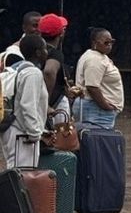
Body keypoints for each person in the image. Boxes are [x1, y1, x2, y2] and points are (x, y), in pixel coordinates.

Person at [3, 34, 49, 169]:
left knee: (15, 172)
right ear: (38, 52)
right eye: (45, 49)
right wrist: (35, 134)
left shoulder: (19, 68)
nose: (47, 52)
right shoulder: (33, 73)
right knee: (22, 175)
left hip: (13, 128)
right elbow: (28, 106)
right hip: (22, 133)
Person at [77, 28, 123, 126]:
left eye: (112, 42)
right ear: (94, 43)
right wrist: (106, 107)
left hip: (96, 109)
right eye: (106, 42)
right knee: (98, 139)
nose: (109, 45)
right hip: (97, 110)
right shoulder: (95, 60)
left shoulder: (98, 56)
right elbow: (92, 87)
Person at [37, 13, 77, 119]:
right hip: (54, 104)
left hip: (33, 101)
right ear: (61, 33)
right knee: (60, 134)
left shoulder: (34, 50)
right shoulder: (55, 54)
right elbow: (49, 71)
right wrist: (46, 104)